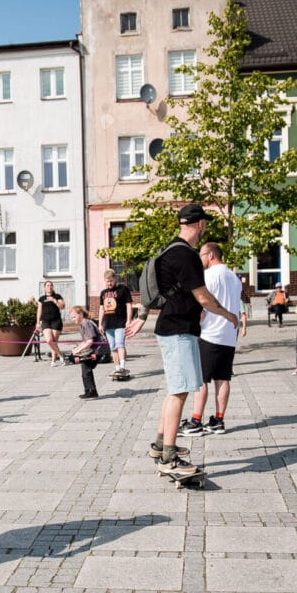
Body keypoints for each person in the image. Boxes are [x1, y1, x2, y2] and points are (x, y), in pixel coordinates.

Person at [125, 204, 240, 477]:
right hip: (179, 330)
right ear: (200, 224)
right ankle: (168, 458)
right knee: (179, 392)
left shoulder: (169, 249)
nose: (205, 228)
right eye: (205, 224)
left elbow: (155, 288)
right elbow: (203, 298)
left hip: (171, 327)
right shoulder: (187, 255)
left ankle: (160, 445)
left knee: (175, 390)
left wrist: (142, 316)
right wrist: (228, 315)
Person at [185, 242, 249, 436]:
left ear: (211, 255)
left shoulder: (208, 276)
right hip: (229, 335)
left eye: (202, 255)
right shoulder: (234, 278)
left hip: (209, 333)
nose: (200, 260)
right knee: (223, 378)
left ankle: (196, 421)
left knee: (201, 379)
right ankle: (218, 420)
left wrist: (195, 324)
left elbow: (203, 304)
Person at [98, 269, 133, 377]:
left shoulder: (123, 289)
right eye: (107, 281)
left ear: (115, 279)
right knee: (113, 347)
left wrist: (128, 320)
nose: (109, 283)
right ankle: (117, 368)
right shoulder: (103, 293)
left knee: (120, 344)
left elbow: (129, 305)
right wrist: (100, 324)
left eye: (111, 281)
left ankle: (122, 367)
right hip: (108, 325)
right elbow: (101, 309)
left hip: (120, 323)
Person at [68, 306, 107, 399]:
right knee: (85, 367)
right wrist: (76, 349)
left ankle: (91, 391)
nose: (73, 319)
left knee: (86, 367)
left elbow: (90, 341)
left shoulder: (86, 323)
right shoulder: (81, 324)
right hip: (95, 350)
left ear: (81, 314)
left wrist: (78, 350)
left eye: (74, 317)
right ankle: (90, 391)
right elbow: (85, 341)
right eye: (71, 318)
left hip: (99, 350)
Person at [36, 281, 66, 366]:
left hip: (56, 321)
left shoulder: (57, 296)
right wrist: (37, 323)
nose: (49, 287)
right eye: (47, 285)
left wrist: (54, 301)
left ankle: (53, 361)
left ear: (53, 287)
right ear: (45, 287)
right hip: (45, 321)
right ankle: (61, 356)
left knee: (54, 341)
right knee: (49, 340)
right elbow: (39, 311)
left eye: (51, 285)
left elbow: (62, 306)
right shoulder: (41, 298)